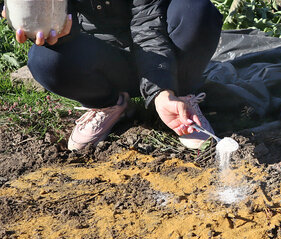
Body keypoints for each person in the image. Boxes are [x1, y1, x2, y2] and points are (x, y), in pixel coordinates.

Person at [1, 0, 223, 150]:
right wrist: (39, 23)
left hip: (164, 54)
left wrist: (161, 90)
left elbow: (148, 24)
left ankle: (177, 99)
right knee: (45, 59)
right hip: (103, 59)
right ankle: (107, 104)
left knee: (198, 11)